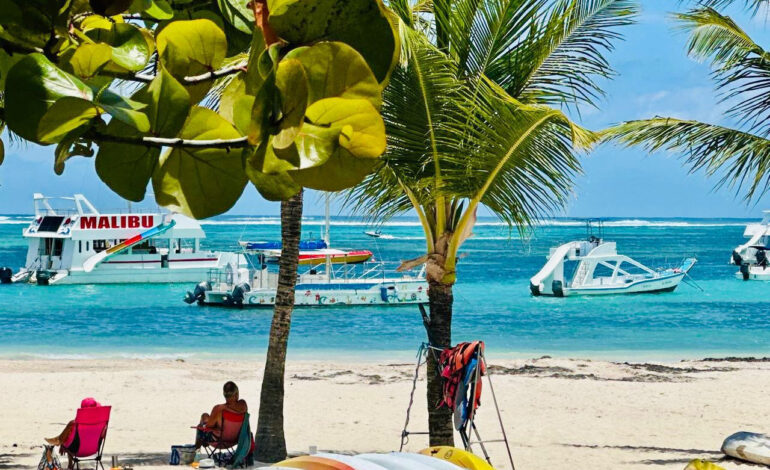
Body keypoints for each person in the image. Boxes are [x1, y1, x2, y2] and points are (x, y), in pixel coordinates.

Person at [44, 398, 101, 468]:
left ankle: (60, 441)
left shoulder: (74, 423)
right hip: (94, 449)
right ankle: (60, 441)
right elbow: (102, 436)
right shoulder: (101, 422)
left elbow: (72, 438)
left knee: (68, 433)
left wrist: (63, 445)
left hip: (76, 450)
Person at [195, 381, 247, 449]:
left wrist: (204, 424)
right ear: (237, 394)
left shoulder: (218, 409)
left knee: (202, 420)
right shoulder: (243, 405)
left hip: (218, 441)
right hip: (235, 439)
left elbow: (208, 427)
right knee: (205, 416)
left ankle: (195, 451)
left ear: (224, 394)